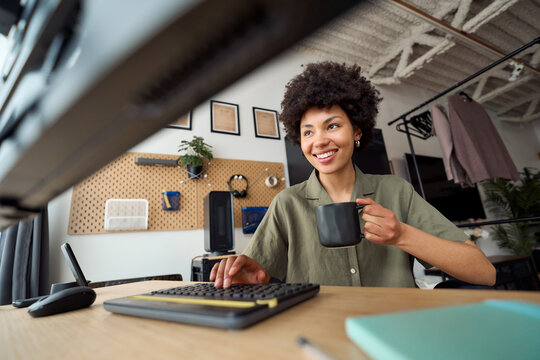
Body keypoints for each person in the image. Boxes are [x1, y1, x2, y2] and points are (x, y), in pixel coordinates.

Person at [210, 62, 496, 289]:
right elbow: (255, 274)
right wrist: (243, 278)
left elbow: (484, 273)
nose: (318, 141)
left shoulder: (396, 191)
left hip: (396, 330)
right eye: (308, 131)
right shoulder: (287, 204)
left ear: (357, 131)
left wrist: (401, 235)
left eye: (332, 126)